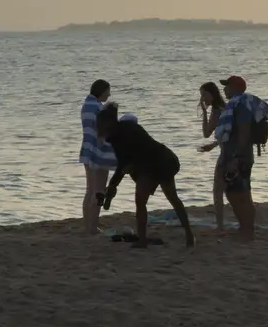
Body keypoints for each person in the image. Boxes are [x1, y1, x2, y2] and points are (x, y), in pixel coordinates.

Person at [95, 104, 194, 248]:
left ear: (108, 124)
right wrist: (112, 186)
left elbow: (134, 157)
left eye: (100, 125)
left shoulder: (129, 129)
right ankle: (143, 239)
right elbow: (123, 164)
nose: (98, 128)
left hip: (161, 161)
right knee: (143, 201)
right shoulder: (115, 137)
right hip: (148, 165)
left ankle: (189, 236)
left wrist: (117, 181)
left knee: (169, 198)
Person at [206, 75, 260, 237]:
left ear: (236, 88)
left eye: (227, 86)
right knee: (239, 194)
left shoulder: (240, 105)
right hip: (235, 156)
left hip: (237, 158)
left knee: (238, 195)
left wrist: (235, 158)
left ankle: (246, 230)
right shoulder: (236, 104)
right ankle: (246, 229)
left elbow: (244, 133)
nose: (224, 89)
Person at [78, 79, 115, 237]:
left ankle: (88, 226)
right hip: (99, 153)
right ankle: (92, 228)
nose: (109, 94)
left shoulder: (86, 106)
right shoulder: (99, 109)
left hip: (87, 150)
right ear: (102, 91)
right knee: (99, 191)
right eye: (108, 91)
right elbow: (104, 133)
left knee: (90, 190)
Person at [197, 81, 227, 231]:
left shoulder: (216, 110)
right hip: (230, 151)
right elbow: (227, 133)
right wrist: (214, 145)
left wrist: (204, 112)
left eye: (204, 95)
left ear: (211, 94)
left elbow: (206, 133)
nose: (202, 99)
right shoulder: (224, 107)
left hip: (227, 154)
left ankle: (220, 225)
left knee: (217, 191)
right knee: (233, 190)